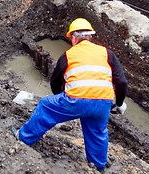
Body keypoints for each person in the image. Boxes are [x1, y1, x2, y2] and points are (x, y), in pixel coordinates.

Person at [13, 18, 128, 173]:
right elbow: (121, 82)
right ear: (90, 36)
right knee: (97, 132)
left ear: (74, 38)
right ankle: (98, 166)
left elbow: (55, 82)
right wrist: (119, 103)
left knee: (45, 106)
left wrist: (62, 100)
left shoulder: (69, 55)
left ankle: (23, 138)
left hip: (76, 100)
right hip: (103, 103)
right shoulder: (107, 54)